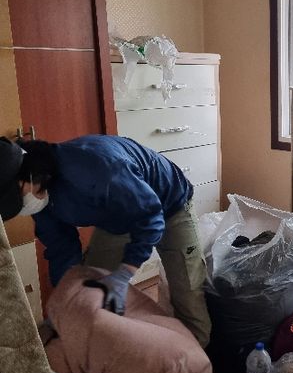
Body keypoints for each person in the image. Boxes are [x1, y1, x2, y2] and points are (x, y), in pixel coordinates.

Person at [0, 135, 211, 347]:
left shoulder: (95, 170)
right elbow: (61, 249)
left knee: (188, 292)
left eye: (17, 198)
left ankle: (196, 356)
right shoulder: (39, 200)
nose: (21, 206)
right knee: (91, 286)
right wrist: (63, 300)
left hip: (170, 204)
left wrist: (125, 273)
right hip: (116, 217)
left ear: (30, 173)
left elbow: (150, 217)